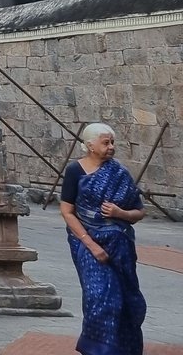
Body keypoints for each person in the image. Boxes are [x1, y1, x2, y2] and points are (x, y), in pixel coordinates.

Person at [59, 121, 147, 355]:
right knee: (100, 298)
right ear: (90, 145)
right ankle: (97, 350)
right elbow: (67, 211)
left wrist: (120, 213)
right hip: (87, 245)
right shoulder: (75, 171)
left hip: (120, 247)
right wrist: (91, 244)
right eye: (106, 142)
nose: (111, 147)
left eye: (112, 143)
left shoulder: (119, 173)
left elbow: (139, 211)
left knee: (127, 301)